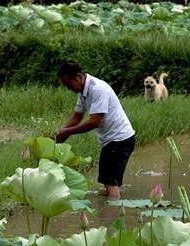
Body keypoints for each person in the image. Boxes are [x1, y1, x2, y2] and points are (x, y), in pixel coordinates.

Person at [55, 61, 136, 199]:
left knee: (110, 181)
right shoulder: (83, 92)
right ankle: (114, 204)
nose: (69, 89)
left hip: (119, 139)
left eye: (69, 85)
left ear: (78, 77)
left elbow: (94, 122)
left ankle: (112, 210)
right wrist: (59, 133)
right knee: (108, 180)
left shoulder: (98, 89)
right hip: (113, 140)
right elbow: (77, 117)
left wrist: (67, 132)